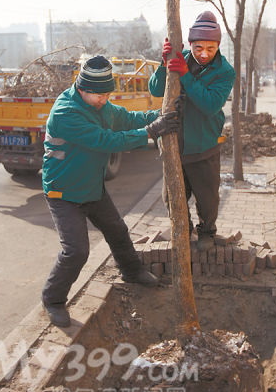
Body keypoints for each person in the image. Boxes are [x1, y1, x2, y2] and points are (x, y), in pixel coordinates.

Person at [42, 55, 179, 327]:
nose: (104, 99)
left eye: (107, 94)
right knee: (76, 251)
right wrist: (151, 132)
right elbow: (105, 140)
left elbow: (125, 118)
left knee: (117, 229)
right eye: (99, 95)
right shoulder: (66, 112)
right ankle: (53, 300)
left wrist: (161, 115)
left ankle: (131, 271)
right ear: (82, 88)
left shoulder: (100, 104)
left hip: (91, 185)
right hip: (64, 192)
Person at [149, 10, 236, 251]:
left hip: (203, 145)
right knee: (172, 196)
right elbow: (156, 90)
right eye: (198, 48)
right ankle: (183, 230)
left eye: (210, 48)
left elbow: (210, 105)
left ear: (218, 45)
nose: (204, 54)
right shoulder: (181, 58)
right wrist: (164, 63)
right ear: (190, 43)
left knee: (207, 197)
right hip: (173, 144)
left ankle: (207, 231)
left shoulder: (225, 72)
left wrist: (185, 76)